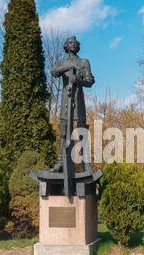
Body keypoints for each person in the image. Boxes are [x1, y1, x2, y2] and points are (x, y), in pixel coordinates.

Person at [49, 36, 95, 174]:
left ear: (78, 46)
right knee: (64, 132)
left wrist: (78, 81)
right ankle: (61, 163)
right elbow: (54, 72)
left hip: (78, 100)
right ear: (66, 46)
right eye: (70, 43)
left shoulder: (84, 62)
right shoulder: (62, 62)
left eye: (75, 43)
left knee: (82, 132)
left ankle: (86, 164)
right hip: (65, 100)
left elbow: (90, 81)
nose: (73, 44)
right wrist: (70, 66)